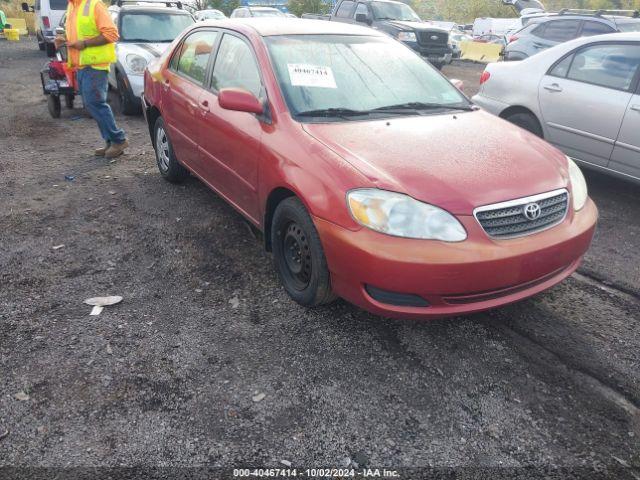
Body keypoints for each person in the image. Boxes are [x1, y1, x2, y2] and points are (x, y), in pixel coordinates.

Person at [54, 0, 128, 158]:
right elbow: (78, 35)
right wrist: (64, 39)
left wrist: (85, 44)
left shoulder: (94, 5)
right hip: (82, 65)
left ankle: (118, 140)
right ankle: (110, 141)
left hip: (95, 65)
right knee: (91, 104)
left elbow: (111, 34)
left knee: (95, 103)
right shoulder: (73, 6)